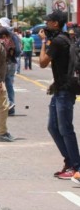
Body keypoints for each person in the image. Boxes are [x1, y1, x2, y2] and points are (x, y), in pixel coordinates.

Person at [38, 10, 80, 182]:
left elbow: (42, 62)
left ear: (55, 23)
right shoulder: (66, 38)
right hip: (60, 89)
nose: (46, 24)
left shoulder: (57, 42)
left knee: (65, 129)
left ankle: (76, 166)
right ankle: (70, 161)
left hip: (64, 90)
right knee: (53, 127)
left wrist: (43, 41)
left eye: (48, 21)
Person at [0, 17, 19, 115]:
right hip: (12, 62)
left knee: (0, 83)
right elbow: (18, 51)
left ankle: (7, 105)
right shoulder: (14, 35)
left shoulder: (1, 34)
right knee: (9, 83)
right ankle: (11, 104)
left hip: (4, 62)